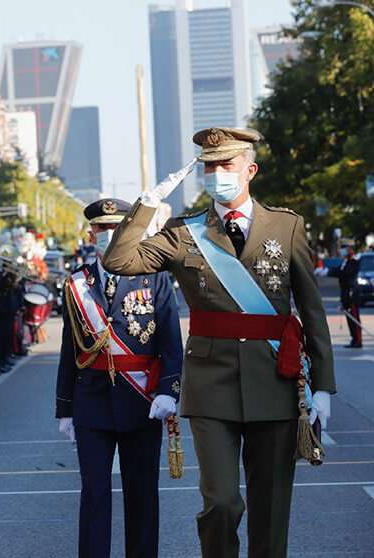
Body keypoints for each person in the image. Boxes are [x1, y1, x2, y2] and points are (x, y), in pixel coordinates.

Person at [103, 127, 335, 558]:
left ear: (250, 169)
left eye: (225, 165)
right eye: (209, 167)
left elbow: (312, 311)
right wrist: (147, 204)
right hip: (211, 387)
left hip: (275, 381)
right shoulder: (182, 233)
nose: (217, 173)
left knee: (270, 508)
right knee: (222, 504)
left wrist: (322, 386)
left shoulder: (286, 226)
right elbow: (118, 261)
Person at [55, 198, 183, 558]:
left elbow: (171, 341)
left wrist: (168, 391)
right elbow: (69, 350)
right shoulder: (78, 283)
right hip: (91, 402)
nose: (108, 234)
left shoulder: (154, 277)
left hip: (142, 402)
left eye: (116, 228)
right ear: (91, 232)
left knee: (141, 494)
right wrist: (64, 407)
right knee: (94, 494)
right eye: (102, 228)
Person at [338, 244, 363, 348]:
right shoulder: (345, 262)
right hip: (346, 294)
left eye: (346, 249)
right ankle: (354, 339)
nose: (343, 251)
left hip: (352, 294)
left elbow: (347, 275)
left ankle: (358, 340)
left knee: (354, 318)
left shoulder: (354, 262)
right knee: (349, 318)